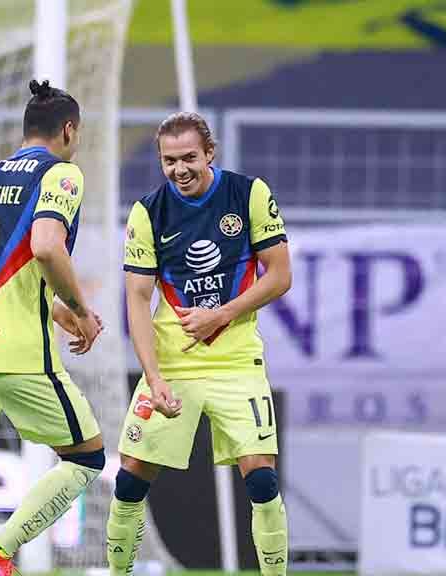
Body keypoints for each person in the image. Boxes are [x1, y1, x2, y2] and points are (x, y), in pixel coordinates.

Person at [108, 112, 292, 576]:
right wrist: (152, 377)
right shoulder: (148, 212)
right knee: (130, 478)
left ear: (210, 153)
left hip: (237, 364)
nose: (180, 169)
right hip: (172, 368)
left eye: (189, 157)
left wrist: (222, 314)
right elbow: (137, 298)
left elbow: (281, 275)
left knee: (262, 476)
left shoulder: (248, 194)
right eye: (169, 161)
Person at [0, 79, 105, 576]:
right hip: (15, 349)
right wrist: (78, 306)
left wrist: (60, 309)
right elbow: (46, 248)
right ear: (69, 130)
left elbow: (4, 274)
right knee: (86, 458)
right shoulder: (61, 174)